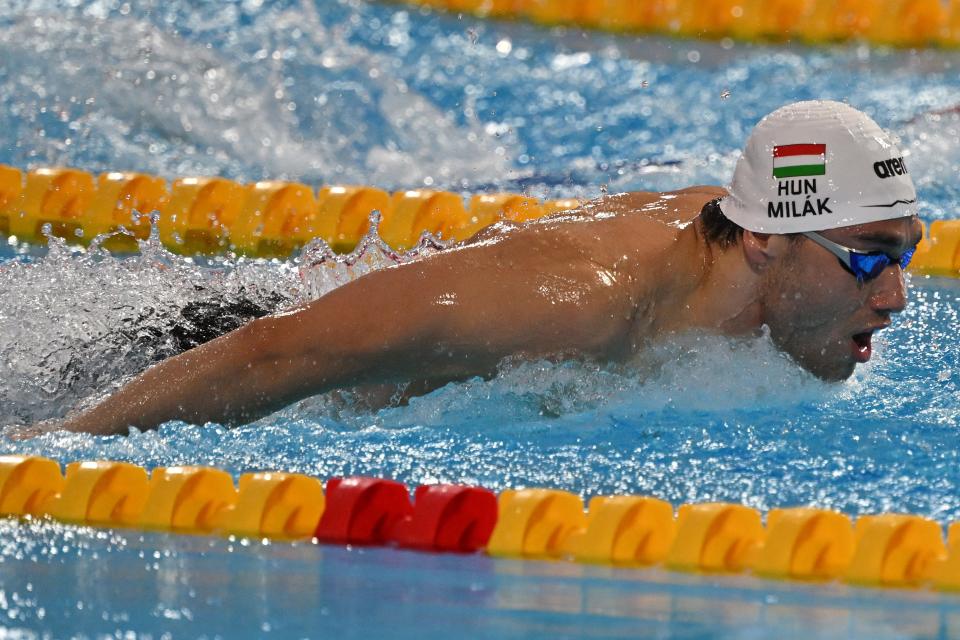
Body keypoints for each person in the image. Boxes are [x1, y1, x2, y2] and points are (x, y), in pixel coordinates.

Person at [44, 100, 923, 436]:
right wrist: (54, 452)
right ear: (766, 242)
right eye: (869, 263)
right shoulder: (571, 305)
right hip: (203, 351)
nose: (898, 295)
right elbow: (272, 355)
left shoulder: (737, 251)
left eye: (908, 254)